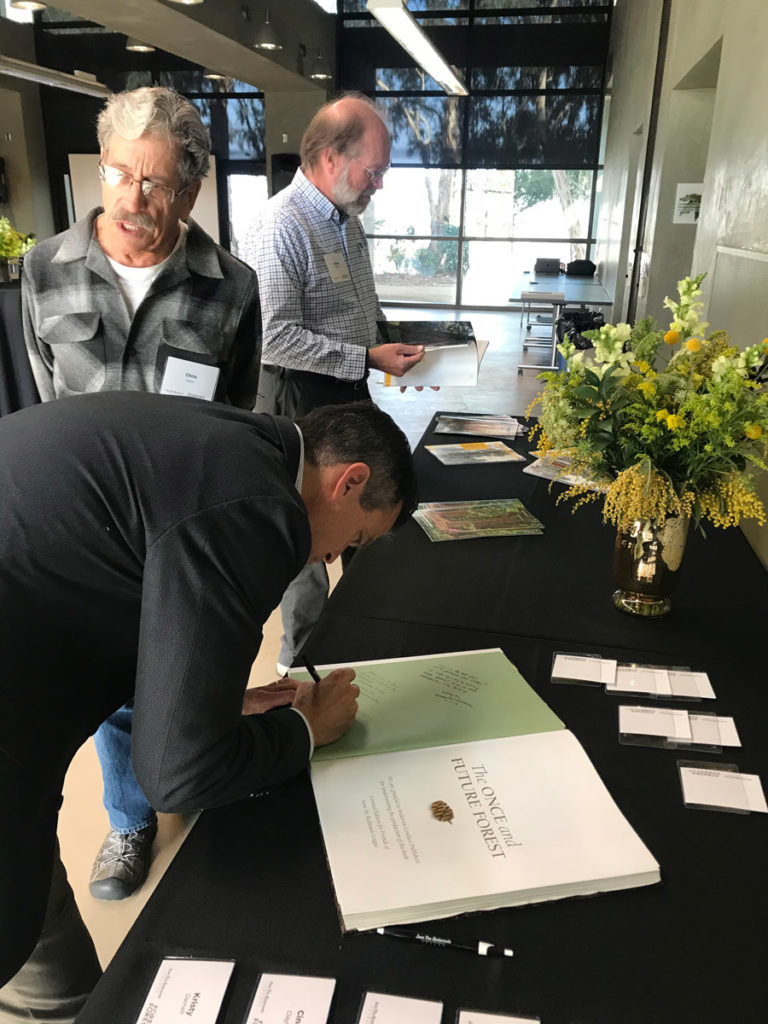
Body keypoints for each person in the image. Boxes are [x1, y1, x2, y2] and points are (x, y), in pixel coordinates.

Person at [0, 393, 417, 1023]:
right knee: (29, 944)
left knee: (47, 945)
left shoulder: (235, 443)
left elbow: (104, 574)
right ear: (348, 481)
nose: (331, 558)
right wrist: (305, 728)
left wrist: (206, 695)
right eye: (353, 538)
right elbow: (176, 775)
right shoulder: (259, 511)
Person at [21, 86, 262, 903]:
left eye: (156, 183)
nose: (131, 198)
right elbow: (42, 401)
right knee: (102, 691)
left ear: (190, 193)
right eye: (120, 172)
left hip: (180, 535)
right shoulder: (43, 269)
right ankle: (128, 822)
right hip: (82, 539)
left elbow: (237, 424)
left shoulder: (231, 287)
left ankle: (194, 782)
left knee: (181, 674)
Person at [244, 92, 424, 677]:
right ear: (327, 157)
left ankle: (358, 646)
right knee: (309, 542)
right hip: (297, 400)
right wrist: (366, 355)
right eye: (373, 171)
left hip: (347, 392)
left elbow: (364, 311)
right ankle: (300, 666)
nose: (378, 185)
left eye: (382, 173)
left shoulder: (346, 223)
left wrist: (392, 354)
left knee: (363, 519)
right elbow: (274, 338)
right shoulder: (281, 225)